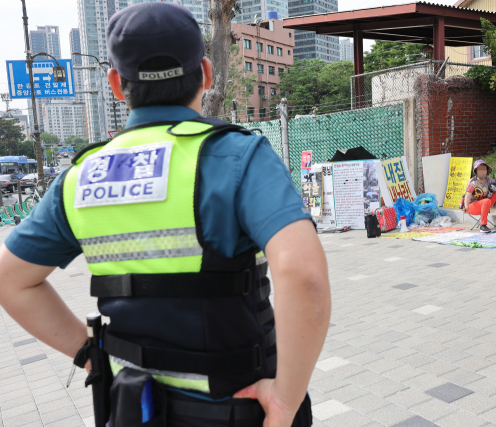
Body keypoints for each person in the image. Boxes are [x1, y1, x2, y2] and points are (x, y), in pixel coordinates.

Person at [0, 3, 330, 427]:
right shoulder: (237, 157)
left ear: (117, 85)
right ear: (206, 74)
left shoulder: (81, 178)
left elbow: (11, 279)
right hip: (241, 412)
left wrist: (90, 355)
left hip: (135, 410)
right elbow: (306, 277)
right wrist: (285, 401)